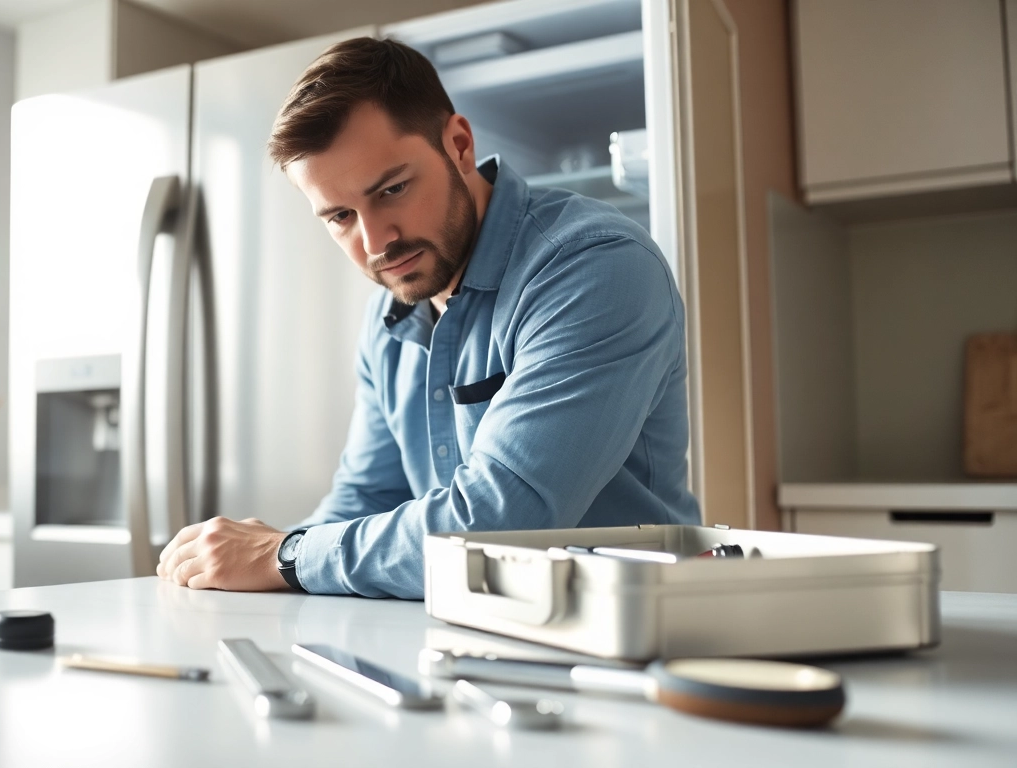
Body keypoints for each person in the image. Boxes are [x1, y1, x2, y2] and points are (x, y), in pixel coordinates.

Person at [155, 37, 699, 599]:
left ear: (458, 144)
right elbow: (366, 498)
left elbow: (500, 521)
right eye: (340, 216)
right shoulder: (391, 311)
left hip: (632, 635)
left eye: (392, 189)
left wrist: (286, 553)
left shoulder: (594, 268)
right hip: (465, 633)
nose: (376, 242)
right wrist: (256, 561)